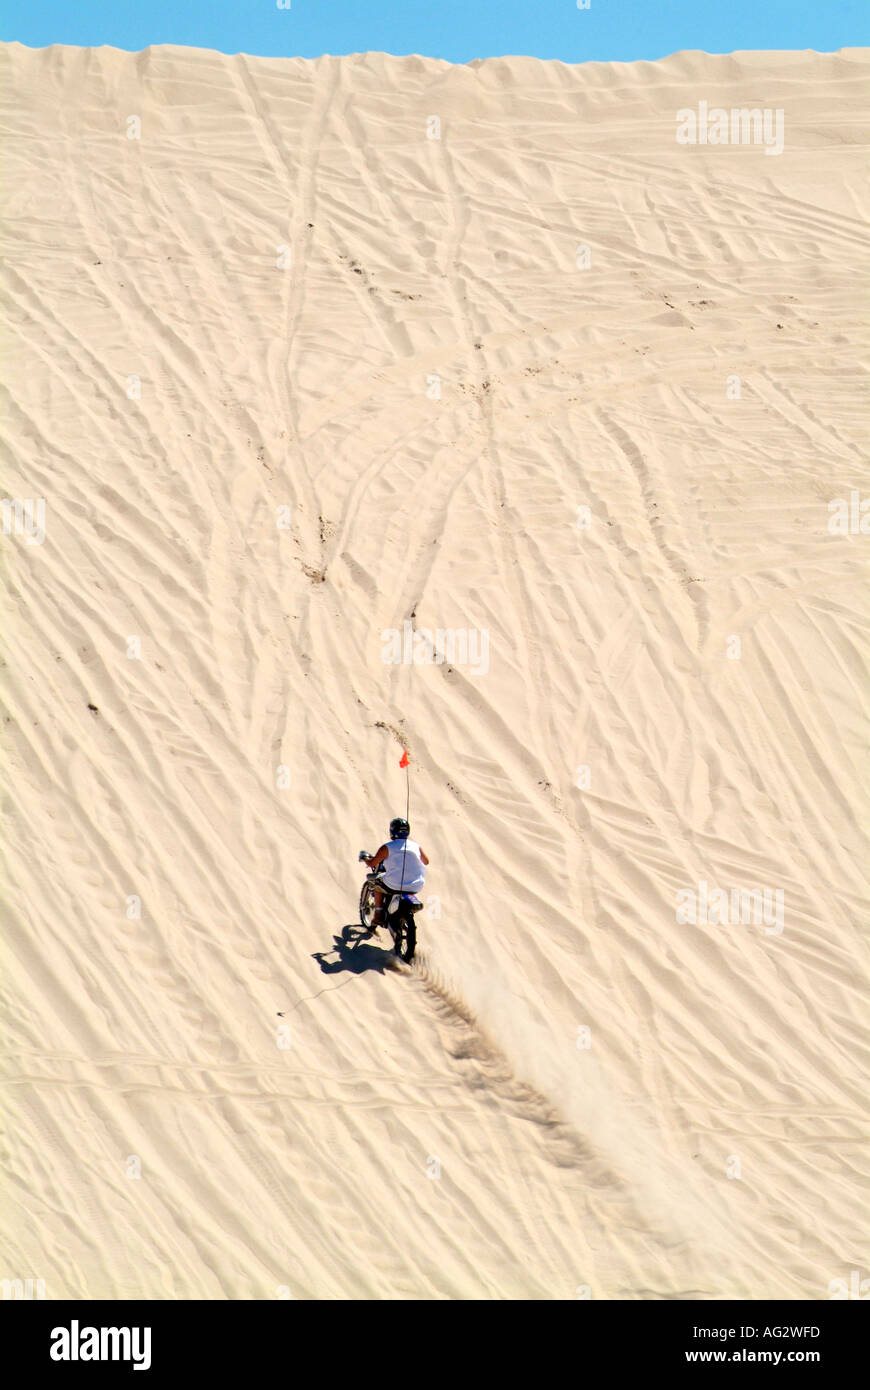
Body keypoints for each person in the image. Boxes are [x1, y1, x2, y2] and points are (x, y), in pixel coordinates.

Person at [364, 818, 429, 927]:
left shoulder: (387, 847)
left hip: (393, 884)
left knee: (376, 884)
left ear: (392, 831)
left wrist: (366, 859)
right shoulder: (417, 846)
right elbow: (426, 861)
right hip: (415, 885)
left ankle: (378, 914)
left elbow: (372, 863)